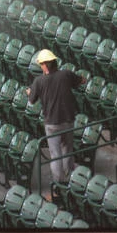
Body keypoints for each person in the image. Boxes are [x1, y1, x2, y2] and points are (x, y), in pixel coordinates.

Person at [26, 49, 86, 183]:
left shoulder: (39, 81)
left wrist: (29, 92)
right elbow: (81, 80)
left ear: (45, 65)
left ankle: (60, 184)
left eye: (41, 64)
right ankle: (70, 174)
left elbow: (31, 101)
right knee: (67, 148)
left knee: (55, 154)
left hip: (52, 124)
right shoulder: (66, 74)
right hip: (68, 120)